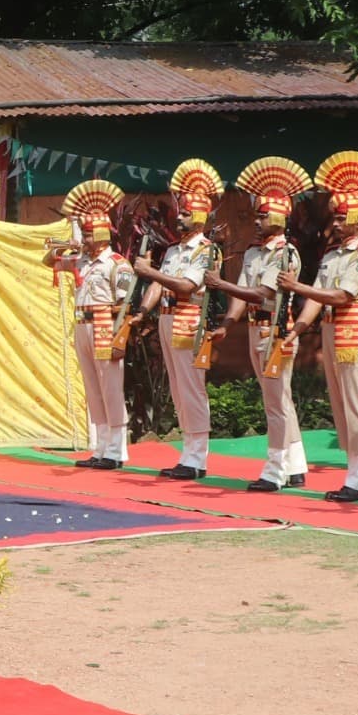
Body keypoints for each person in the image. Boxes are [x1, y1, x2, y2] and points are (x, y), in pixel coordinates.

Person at [207, 158, 312, 491]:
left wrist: (221, 286)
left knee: (276, 403)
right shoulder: (254, 254)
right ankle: (295, 464)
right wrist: (227, 321)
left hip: (276, 331)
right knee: (279, 400)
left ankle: (275, 469)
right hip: (256, 327)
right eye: (257, 215)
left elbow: (262, 291)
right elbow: (243, 293)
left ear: (280, 218)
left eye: (263, 215)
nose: (257, 221)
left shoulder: (286, 254)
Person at [285, 152, 358, 503]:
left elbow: (341, 295)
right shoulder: (332, 255)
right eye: (336, 217)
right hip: (330, 330)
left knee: (355, 402)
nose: (337, 224)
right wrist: (298, 327)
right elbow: (319, 298)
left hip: (353, 329)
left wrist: (298, 288)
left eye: (343, 218)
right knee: (340, 403)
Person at [133, 160, 226, 481]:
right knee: (177, 387)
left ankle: (197, 456)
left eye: (186, 213)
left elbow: (187, 286)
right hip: (168, 320)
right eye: (181, 212)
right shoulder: (173, 250)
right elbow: (160, 284)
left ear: (200, 216)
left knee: (191, 388)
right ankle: (188, 453)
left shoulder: (207, 251)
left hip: (189, 323)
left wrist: (149, 272)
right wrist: (142, 312)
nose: (180, 217)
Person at [46, 181, 133, 469]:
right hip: (82, 324)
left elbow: (124, 303)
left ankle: (117, 451)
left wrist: (119, 336)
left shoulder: (116, 264)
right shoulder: (81, 260)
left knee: (110, 387)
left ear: (100, 233)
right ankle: (100, 447)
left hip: (105, 324)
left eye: (87, 233)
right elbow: (49, 261)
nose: (84, 238)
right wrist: (70, 236)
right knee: (92, 388)